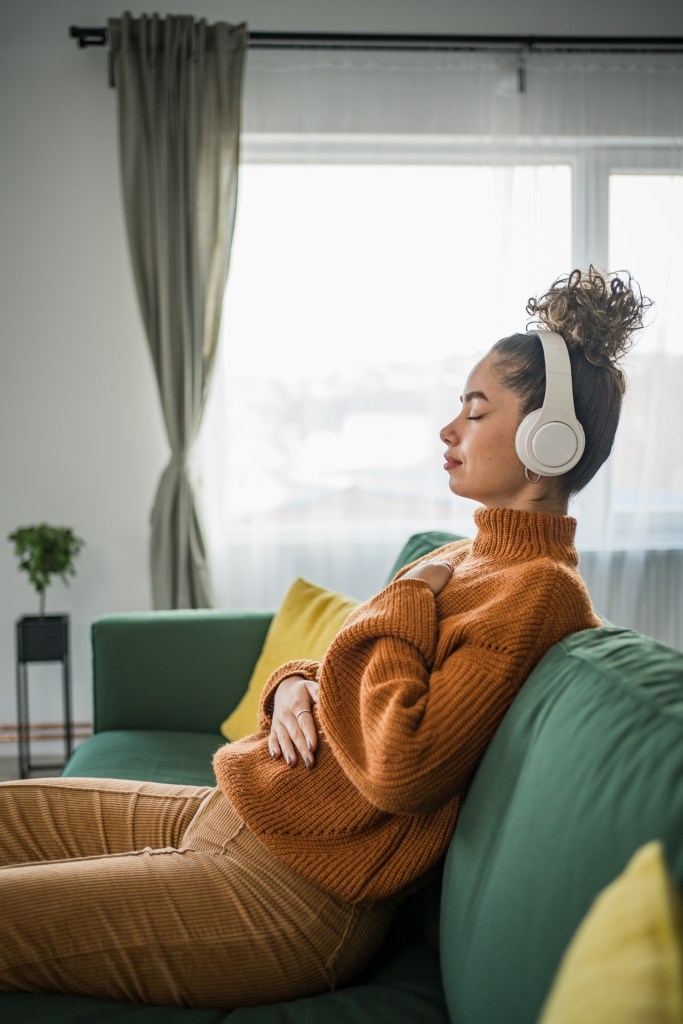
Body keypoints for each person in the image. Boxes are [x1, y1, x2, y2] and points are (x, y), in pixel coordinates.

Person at [0, 267, 650, 1009]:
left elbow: (401, 763)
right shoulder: (462, 555)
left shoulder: (537, 590)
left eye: (473, 411)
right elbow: (352, 662)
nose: (447, 429)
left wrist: (404, 597)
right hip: (241, 812)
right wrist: (293, 687)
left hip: (287, 898)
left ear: (548, 438)